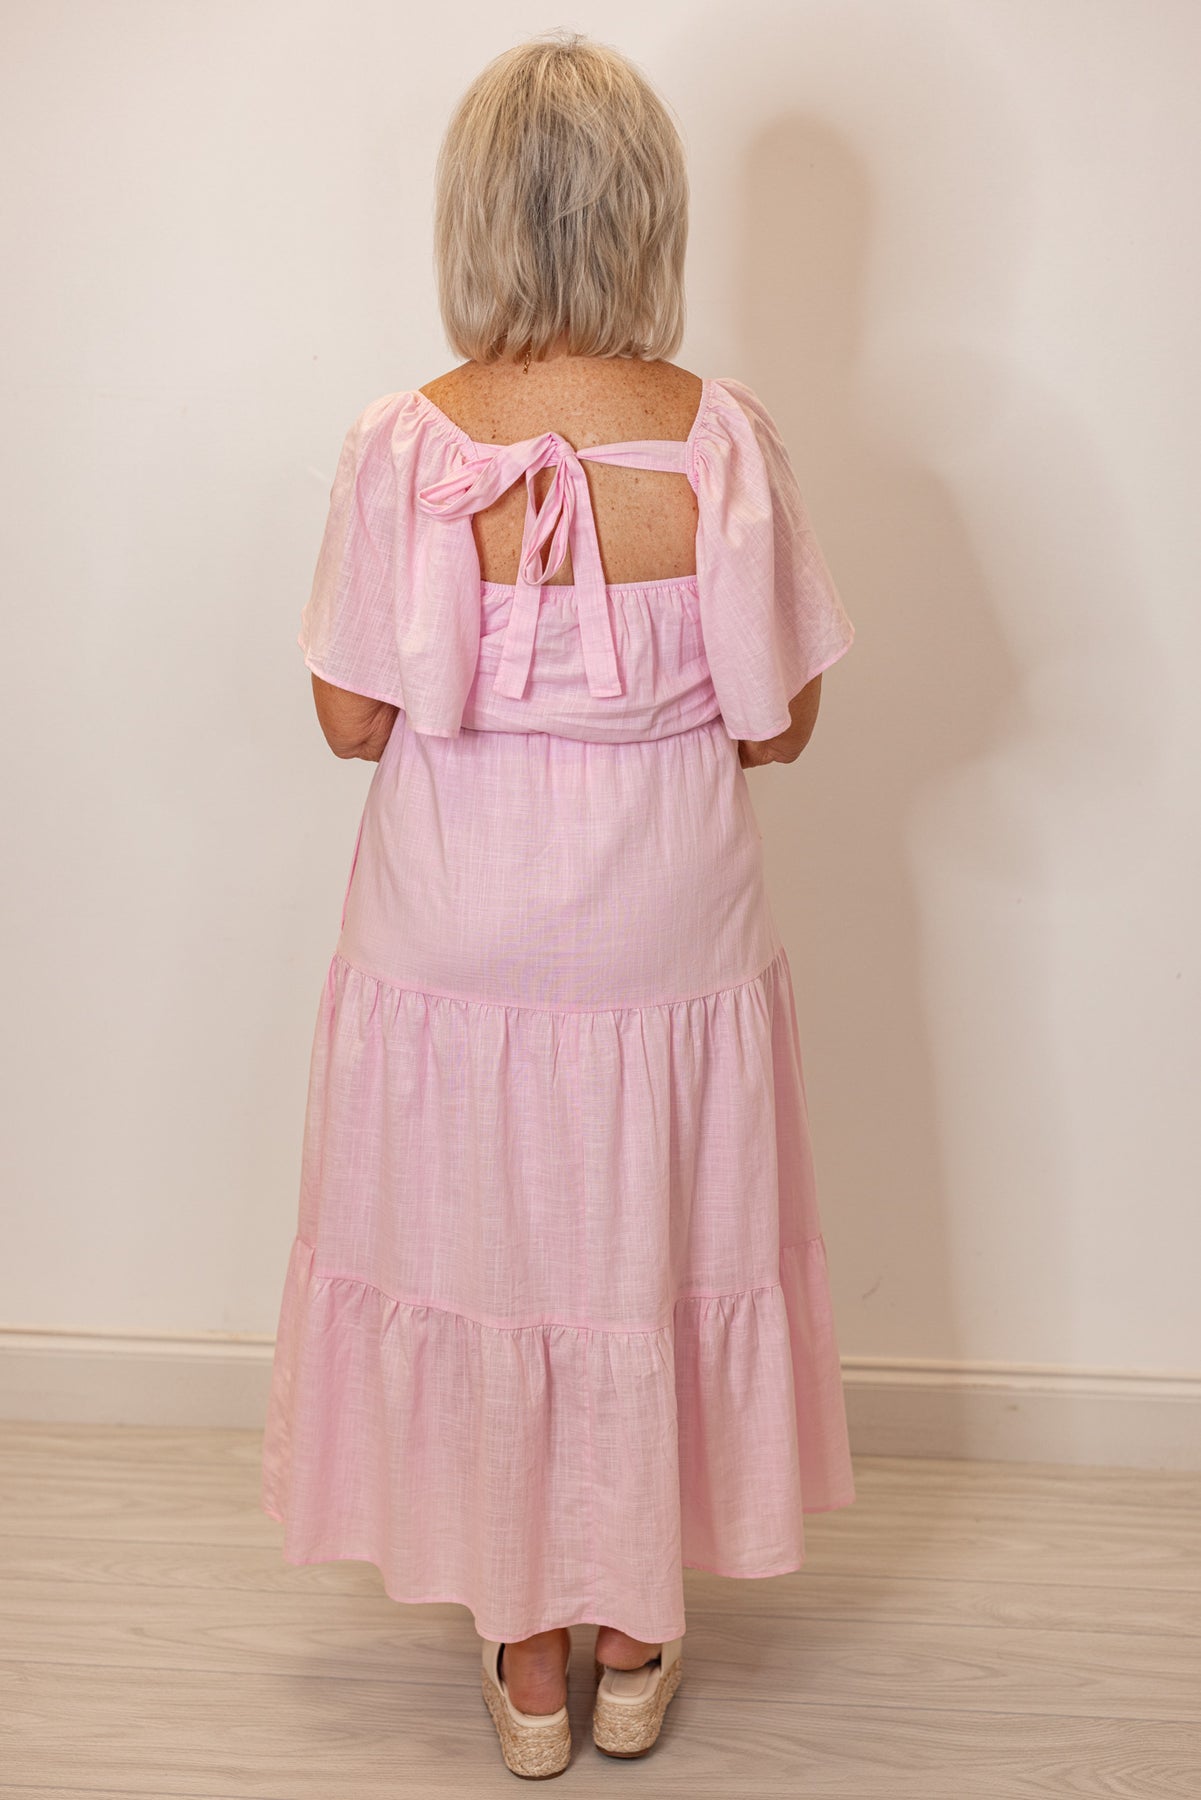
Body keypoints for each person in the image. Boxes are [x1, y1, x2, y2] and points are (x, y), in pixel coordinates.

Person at [261, 28, 857, 1777]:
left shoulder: (405, 442)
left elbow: (348, 719)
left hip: (455, 928)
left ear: (473, 222)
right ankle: (637, 1635)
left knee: (480, 1257)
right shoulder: (720, 439)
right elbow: (779, 721)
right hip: (668, 927)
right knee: (652, 1253)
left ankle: (527, 1656)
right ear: (648, 218)